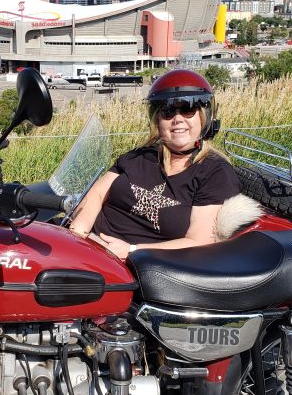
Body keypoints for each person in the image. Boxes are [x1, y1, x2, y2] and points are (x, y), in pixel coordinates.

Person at [68, 70, 241, 259]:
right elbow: (98, 193)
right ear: (157, 120)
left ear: (204, 117)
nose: (177, 119)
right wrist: (78, 234)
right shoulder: (141, 156)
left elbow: (198, 241)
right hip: (89, 247)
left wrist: (132, 250)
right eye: (167, 112)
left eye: (187, 109)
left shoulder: (214, 172)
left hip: (143, 267)